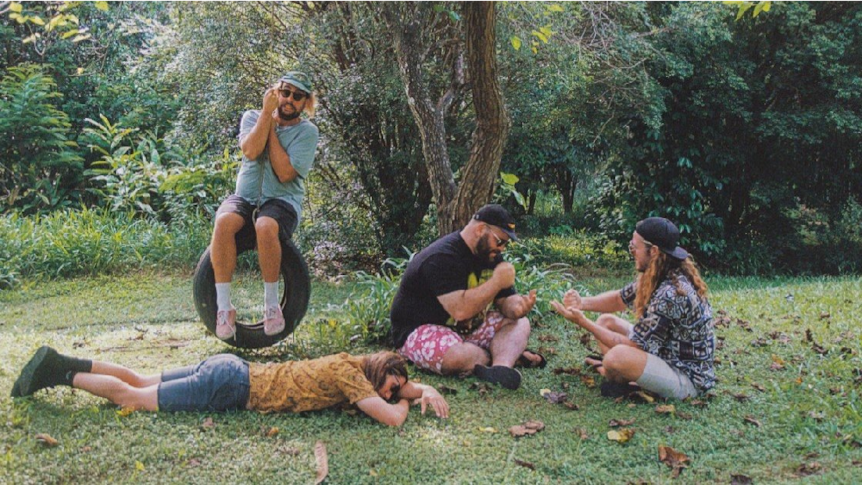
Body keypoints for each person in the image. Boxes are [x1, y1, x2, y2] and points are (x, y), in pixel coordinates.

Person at [11, 346, 449, 427]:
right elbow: (392, 419)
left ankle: (68, 361)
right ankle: (60, 374)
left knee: (143, 379)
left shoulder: (349, 363)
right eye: (391, 386)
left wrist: (422, 390)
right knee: (136, 398)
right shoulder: (352, 378)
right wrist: (406, 404)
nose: (393, 393)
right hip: (232, 388)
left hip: (232, 368)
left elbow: (398, 391)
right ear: (378, 373)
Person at [551, 217, 715, 400]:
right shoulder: (659, 274)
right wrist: (582, 303)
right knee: (606, 321)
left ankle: (617, 375)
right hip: (664, 353)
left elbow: (632, 346)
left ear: (653, 251)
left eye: (634, 248)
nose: (632, 253)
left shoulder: (671, 293)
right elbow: (618, 299)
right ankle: (620, 375)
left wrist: (583, 322)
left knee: (616, 357)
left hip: (686, 379)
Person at [210, 71, 320, 339]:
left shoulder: (307, 132)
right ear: (275, 93)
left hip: (282, 201)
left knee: (265, 225)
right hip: (245, 197)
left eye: (297, 96)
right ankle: (224, 308)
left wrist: (272, 127)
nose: (289, 100)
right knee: (224, 221)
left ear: (306, 102)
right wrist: (265, 117)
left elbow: (284, 173)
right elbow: (250, 150)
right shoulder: (251, 117)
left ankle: (272, 306)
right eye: (285, 92)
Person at [390, 204, 541, 390]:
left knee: (520, 322)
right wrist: (496, 282)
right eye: (499, 241)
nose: (502, 248)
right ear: (480, 230)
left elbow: (504, 301)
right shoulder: (442, 257)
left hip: (463, 332)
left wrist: (518, 307)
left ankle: (501, 367)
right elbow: (460, 311)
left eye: (505, 244)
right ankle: (499, 354)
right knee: (456, 357)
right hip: (418, 330)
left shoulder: (489, 255)